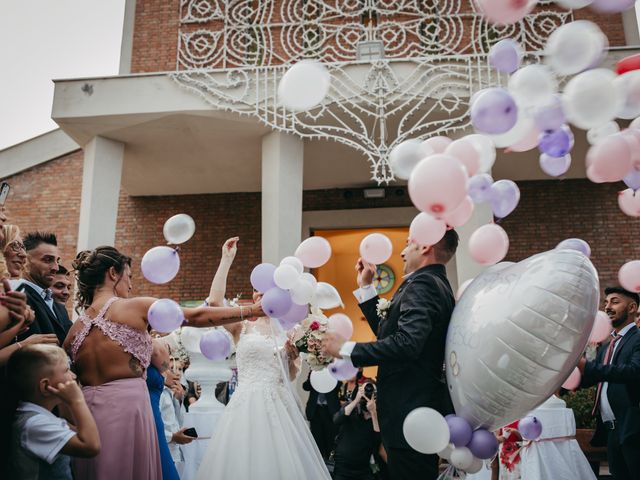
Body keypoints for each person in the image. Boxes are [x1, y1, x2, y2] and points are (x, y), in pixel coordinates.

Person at [62, 245, 264, 480]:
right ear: (112, 273)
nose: (131, 285)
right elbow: (195, 317)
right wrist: (253, 309)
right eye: (128, 276)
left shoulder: (73, 332)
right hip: (128, 409)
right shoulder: (134, 307)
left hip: (86, 413)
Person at [322, 230, 459, 480]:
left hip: (410, 412)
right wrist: (366, 288)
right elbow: (392, 335)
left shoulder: (424, 284)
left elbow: (406, 344)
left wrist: (346, 348)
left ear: (426, 246)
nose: (402, 251)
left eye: (408, 244)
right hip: (412, 411)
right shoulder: (435, 282)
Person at [196, 296, 332, 480]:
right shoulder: (241, 327)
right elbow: (214, 304)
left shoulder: (292, 332)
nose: (258, 294)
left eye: (264, 290)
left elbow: (290, 375)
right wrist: (225, 264)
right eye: (255, 291)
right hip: (245, 404)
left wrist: (292, 358)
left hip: (279, 404)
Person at [7, 344, 100, 479]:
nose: (73, 376)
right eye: (67, 370)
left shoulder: (37, 416)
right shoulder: (35, 424)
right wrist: (77, 401)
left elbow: (76, 432)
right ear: (45, 386)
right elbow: (91, 447)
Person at [578, 286, 640, 479]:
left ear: (632, 307)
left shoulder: (638, 339)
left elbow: (633, 371)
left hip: (633, 428)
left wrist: (586, 366)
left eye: (615, 301)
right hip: (612, 431)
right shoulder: (607, 347)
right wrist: (567, 382)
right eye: (605, 303)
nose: (607, 307)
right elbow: (594, 376)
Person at [16, 232, 71, 345]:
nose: (56, 267)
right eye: (47, 260)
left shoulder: (58, 306)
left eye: (57, 261)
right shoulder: (17, 298)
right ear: (25, 261)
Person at [147, 340, 191, 480]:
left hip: (174, 451)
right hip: (160, 448)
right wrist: (173, 437)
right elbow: (153, 424)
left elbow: (177, 419)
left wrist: (178, 399)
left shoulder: (170, 392)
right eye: (171, 368)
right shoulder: (155, 392)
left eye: (178, 369)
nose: (175, 373)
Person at [332, 382, 382, 480]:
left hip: (363, 469)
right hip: (342, 467)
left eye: (371, 392)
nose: (366, 394)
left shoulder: (377, 414)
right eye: (364, 391)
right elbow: (336, 420)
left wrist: (373, 413)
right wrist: (356, 400)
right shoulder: (350, 408)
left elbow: (377, 440)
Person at [303, 371, 341, 460]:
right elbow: (305, 387)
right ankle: (318, 464)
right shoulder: (313, 371)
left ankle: (330, 465)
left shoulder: (334, 370)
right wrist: (313, 379)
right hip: (315, 411)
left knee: (330, 440)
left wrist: (328, 377)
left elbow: (339, 385)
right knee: (317, 441)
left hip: (330, 411)